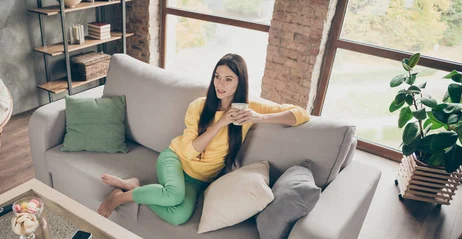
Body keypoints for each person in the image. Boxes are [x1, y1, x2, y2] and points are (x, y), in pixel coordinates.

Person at [97, 53, 310, 225]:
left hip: (199, 179)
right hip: (175, 160)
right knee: (173, 195)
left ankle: (134, 187)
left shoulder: (249, 109)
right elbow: (189, 152)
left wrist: (259, 117)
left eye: (228, 79)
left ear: (240, 82)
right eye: (217, 76)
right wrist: (221, 123)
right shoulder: (199, 106)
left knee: (178, 216)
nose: (220, 84)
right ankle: (118, 198)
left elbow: (300, 114)